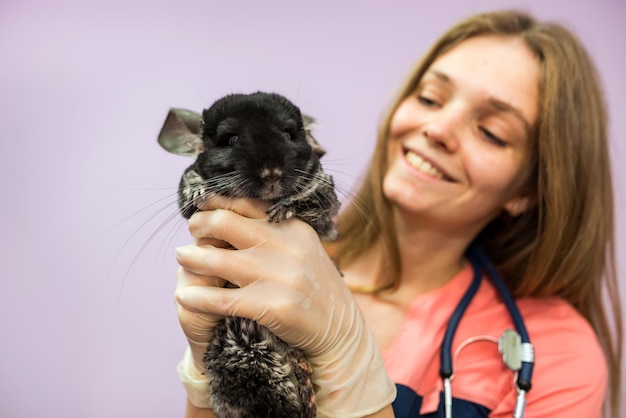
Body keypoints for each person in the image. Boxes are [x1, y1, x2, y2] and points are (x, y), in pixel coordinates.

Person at [173, 10, 623, 418]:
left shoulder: (558, 355)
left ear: (527, 189)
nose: (438, 128)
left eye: (490, 131)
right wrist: (203, 377)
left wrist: (348, 360)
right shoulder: (260, 264)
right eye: (429, 98)